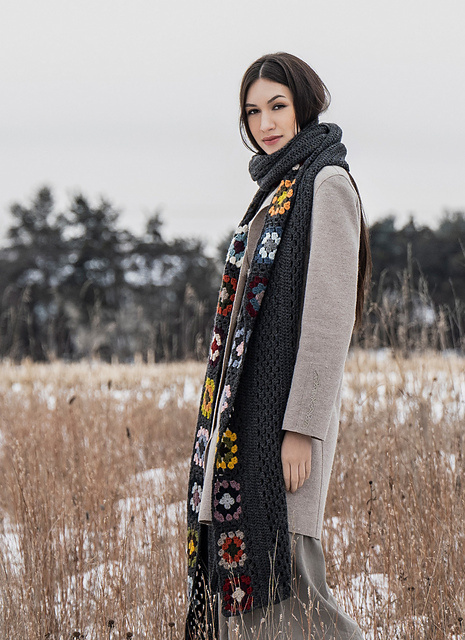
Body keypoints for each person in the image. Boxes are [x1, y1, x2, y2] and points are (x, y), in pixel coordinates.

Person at [184, 52, 371, 640]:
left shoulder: (325, 183)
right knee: (250, 607)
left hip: (284, 432)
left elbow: (328, 319)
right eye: (253, 112)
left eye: (277, 106)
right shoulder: (275, 188)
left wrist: (301, 428)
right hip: (247, 427)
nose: (265, 123)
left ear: (303, 105)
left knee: (296, 596)